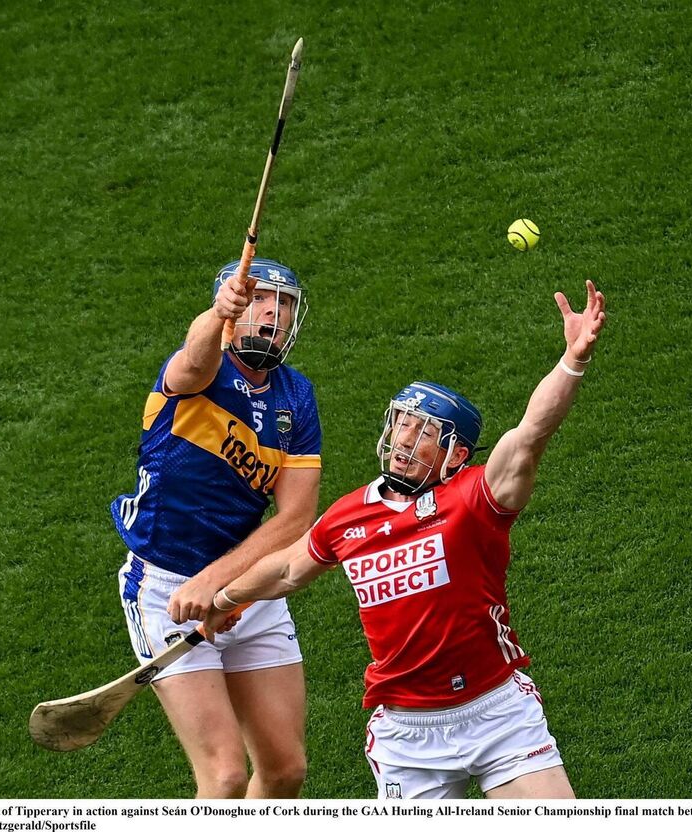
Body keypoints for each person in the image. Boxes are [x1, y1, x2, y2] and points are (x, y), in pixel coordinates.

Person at [204, 280, 607, 799]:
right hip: (406, 732)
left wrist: (572, 359)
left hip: (497, 713)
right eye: (402, 425)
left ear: (456, 455)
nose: (404, 442)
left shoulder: (475, 499)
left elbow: (531, 433)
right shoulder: (348, 516)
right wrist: (225, 599)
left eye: (425, 433)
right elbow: (286, 570)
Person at [112, 258, 321, 798]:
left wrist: (226, 590)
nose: (273, 314)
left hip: (246, 589)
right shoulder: (196, 373)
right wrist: (214, 316)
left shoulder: (296, 398)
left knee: (284, 771)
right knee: (225, 776)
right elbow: (194, 358)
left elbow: (297, 517)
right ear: (232, 310)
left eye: (285, 304)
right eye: (258, 300)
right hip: (164, 589)